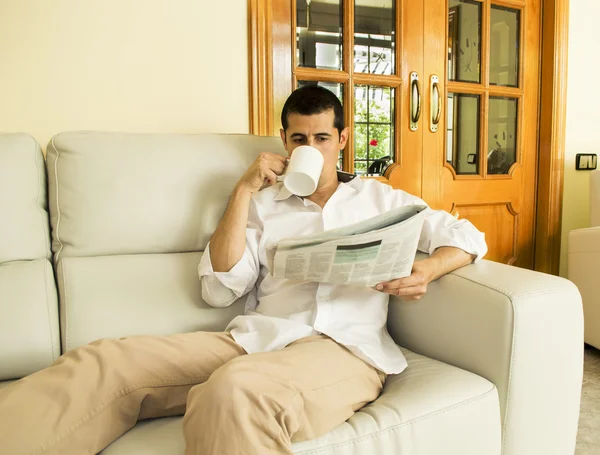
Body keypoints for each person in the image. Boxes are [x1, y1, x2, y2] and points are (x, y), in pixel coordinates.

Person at [0, 86, 487, 455]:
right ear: (284, 140)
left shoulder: (384, 199)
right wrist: (243, 192)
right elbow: (219, 291)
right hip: (255, 339)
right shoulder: (262, 204)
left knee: (235, 391)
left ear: (341, 139)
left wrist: (427, 269)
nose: (311, 148)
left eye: (321, 138)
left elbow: (467, 236)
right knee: (106, 362)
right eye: (300, 138)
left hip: (342, 350)